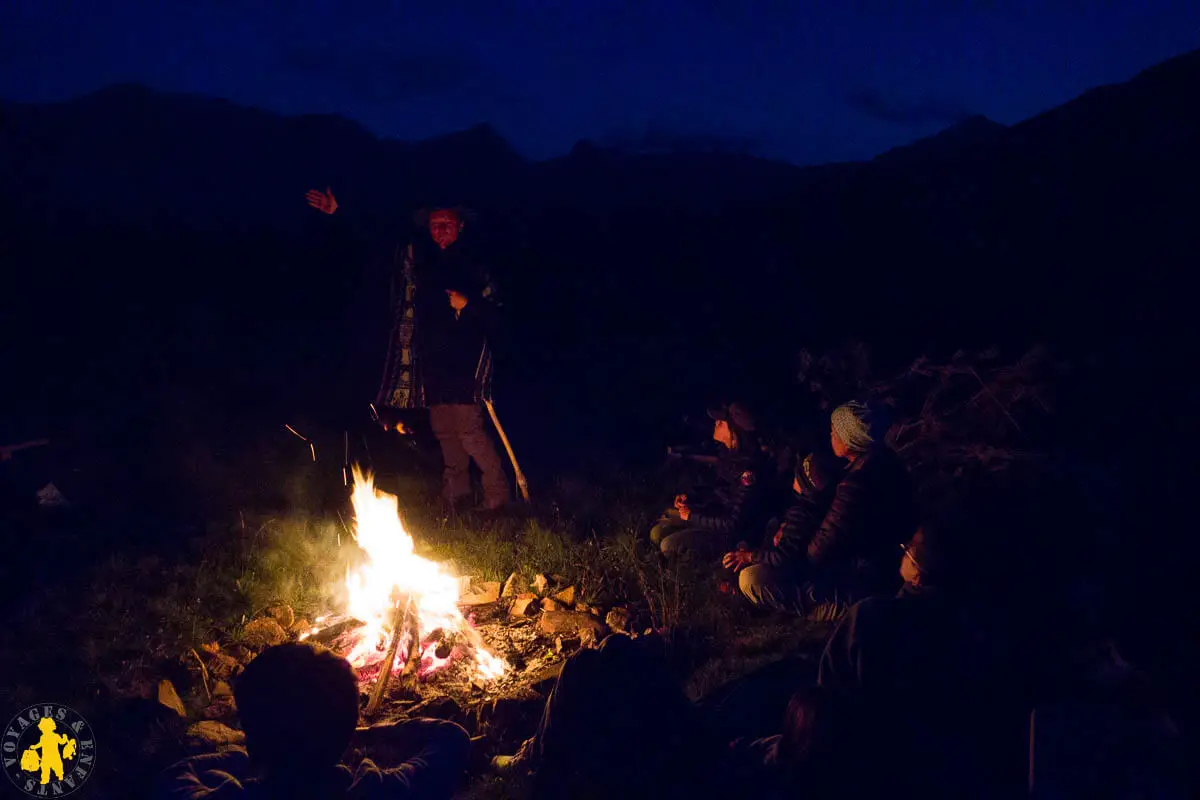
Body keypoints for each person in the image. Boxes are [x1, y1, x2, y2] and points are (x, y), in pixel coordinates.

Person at [306, 188, 510, 512]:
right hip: (433, 364)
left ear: (460, 227)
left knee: (470, 431)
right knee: (445, 432)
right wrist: (339, 212)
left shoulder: (476, 266)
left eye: (447, 224)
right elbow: (375, 240)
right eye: (435, 225)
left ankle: (497, 497)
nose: (441, 230)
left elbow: (499, 313)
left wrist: (469, 304)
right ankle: (456, 495)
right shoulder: (421, 259)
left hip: (467, 363)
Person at [817, 516, 1026, 798]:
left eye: (909, 549)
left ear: (919, 573)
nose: (903, 553)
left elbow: (827, 692)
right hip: (954, 768)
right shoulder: (982, 626)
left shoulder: (871, 617)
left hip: (875, 761)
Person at [157, 643, 470, 799]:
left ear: (254, 737)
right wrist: (366, 734)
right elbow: (451, 739)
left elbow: (174, 776)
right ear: (345, 734)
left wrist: (242, 758)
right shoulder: (375, 791)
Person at [491, 633, 731, 799]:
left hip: (667, 764)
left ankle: (535, 759)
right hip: (682, 736)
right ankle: (535, 751)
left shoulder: (748, 772)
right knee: (615, 643)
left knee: (580, 664)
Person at [806, 400, 917, 601]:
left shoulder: (856, 483)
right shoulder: (885, 460)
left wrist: (800, 563)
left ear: (849, 438)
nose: (830, 436)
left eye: (834, 431)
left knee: (809, 589)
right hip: (892, 560)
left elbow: (829, 536)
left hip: (872, 571)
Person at [723, 450, 843, 612]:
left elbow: (783, 556)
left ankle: (763, 605)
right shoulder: (797, 505)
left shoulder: (802, 513)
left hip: (795, 578)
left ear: (803, 483)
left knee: (750, 578)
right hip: (784, 565)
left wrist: (749, 556)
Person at [651, 403, 774, 559]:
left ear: (735, 434)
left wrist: (692, 516)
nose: (716, 424)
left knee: (667, 545)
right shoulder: (729, 457)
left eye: (722, 423)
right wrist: (691, 498)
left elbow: (733, 524)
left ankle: (708, 562)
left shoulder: (749, 472)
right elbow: (717, 488)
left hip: (726, 534)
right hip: (713, 514)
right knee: (657, 533)